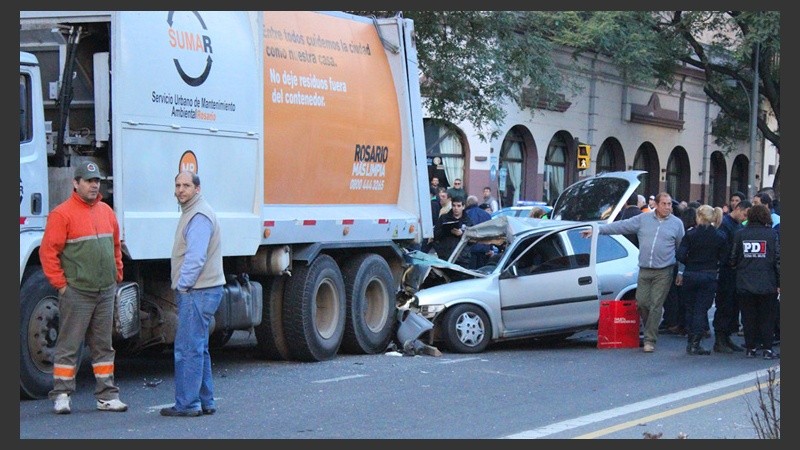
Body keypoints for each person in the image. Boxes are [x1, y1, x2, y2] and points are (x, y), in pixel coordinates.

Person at [40, 161, 128, 414]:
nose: (94, 185)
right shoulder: (62, 214)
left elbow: (115, 246)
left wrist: (117, 273)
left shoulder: (106, 211)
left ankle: (107, 396)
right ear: (75, 183)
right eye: (88, 181)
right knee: (69, 345)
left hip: (105, 290)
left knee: (103, 346)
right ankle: (62, 395)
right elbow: (48, 253)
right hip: (77, 292)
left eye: (97, 181)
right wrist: (61, 286)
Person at [581, 192, 684, 353]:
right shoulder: (643, 219)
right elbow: (622, 226)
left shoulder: (677, 224)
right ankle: (650, 327)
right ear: (656, 205)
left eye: (669, 204)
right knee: (641, 302)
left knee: (656, 304)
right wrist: (598, 230)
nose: (668, 207)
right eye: (664, 204)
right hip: (644, 269)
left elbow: (682, 248)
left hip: (664, 270)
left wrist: (681, 271)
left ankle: (650, 340)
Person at [161, 171, 226, 417]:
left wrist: (183, 285)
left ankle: (188, 404)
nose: (180, 190)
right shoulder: (195, 211)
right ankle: (205, 401)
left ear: (197, 189)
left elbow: (196, 257)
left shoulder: (198, 215)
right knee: (199, 347)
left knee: (188, 349)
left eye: (186, 185)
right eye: (178, 185)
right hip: (203, 290)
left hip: (197, 291)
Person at [729, 204, 780, 360]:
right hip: (767, 282)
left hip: (745, 281)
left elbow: (733, 258)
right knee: (767, 317)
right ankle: (767, 349)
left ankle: (750, 347)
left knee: (748, 317)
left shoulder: (740, 234)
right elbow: (778, 260)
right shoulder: (772, 235)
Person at [676, 205, 727, 355]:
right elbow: (725, 258)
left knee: (690, 309)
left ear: (698, 217)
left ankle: (690, 341)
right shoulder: (719, 235)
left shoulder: (690, 234)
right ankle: (695, 343)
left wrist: (690, 262)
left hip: (691, 273)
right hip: (709, 274)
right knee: (701, 310)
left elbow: (680, 255)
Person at [712, 200, 751, 353]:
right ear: (738, 209)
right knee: (724, 305)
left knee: (732, 307)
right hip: (726, 271)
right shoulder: (725, 224)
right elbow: (724, 249)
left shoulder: (738, 226)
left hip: (735, 272)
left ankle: (726, 337)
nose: (744, 218)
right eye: (744, 214)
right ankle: (720, 339)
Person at [433, 195, 473, 262]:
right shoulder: (444, 218)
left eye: (458, 206)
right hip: (445, 256)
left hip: (462, 258)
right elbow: (435, 236)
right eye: (454, 205)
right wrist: (446, 230)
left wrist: (462, 234)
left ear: (463, 207)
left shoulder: (468, 221)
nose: (456, 208)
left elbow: (472, 240)